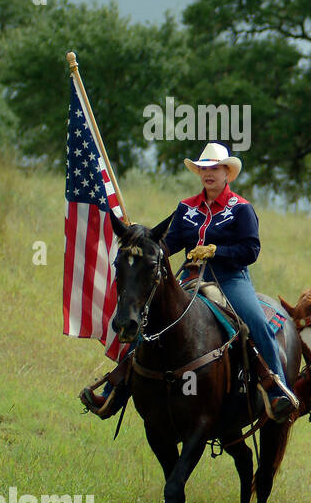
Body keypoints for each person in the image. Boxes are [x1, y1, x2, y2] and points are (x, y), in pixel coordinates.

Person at [79, 143, 298, 420]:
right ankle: (115, 390)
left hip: (231, 280)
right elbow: (167, 245)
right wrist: (143, 244)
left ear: (227, 173)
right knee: (149, 319)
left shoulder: (241, 209)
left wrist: (217, 251)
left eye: (215, 168)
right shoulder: (186, 208)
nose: (209, 173)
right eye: (204, 168)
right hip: (191, 276)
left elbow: (251, 250)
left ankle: (276, 388)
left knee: (254, 321)